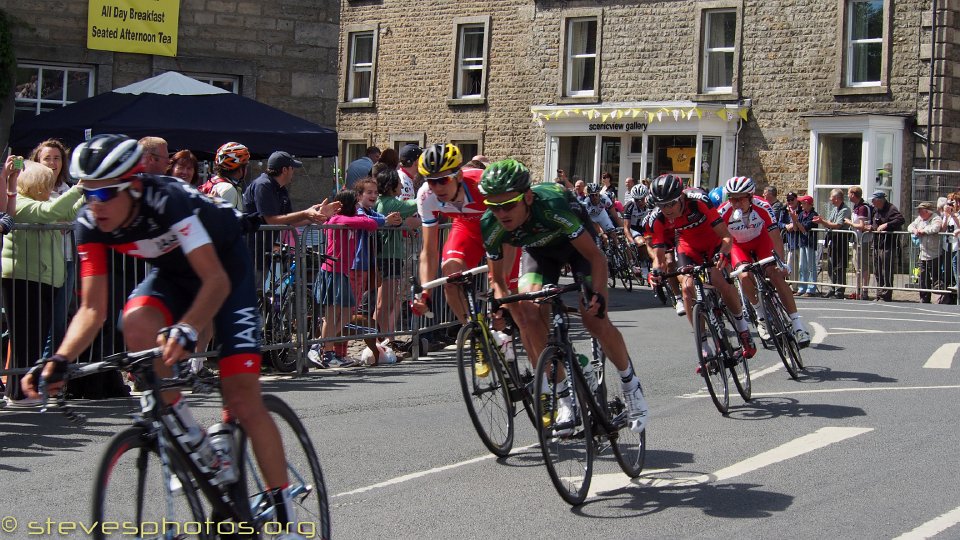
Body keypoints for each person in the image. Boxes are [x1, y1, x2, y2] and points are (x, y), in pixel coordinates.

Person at [20, 135, 309, 533]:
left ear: (134, 185)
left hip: (225, 273)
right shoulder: (90, 222)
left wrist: (188, 327)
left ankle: (283, 509)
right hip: (172, 277)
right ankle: (192, 436)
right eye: (87, 193)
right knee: (134, 324)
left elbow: (214, 281)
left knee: (242, 398)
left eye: (105, 192)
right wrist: (59, 359)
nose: (95, 204)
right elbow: (92, 307)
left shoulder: (169, 201)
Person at [479, 159, 648, 434]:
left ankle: (630, 383)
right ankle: (565, 399)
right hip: (539, 254)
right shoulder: (492, 224)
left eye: (509, 205)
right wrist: (499, 306)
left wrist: (599, 297)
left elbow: (595, 257)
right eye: (494, 207)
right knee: (529, 312)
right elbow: (497, 280)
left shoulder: (552, 206)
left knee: (593, 318)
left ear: (528, 198)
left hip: (578, 250)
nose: (502, 214)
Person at [646, 174, 757, 360]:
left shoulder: (699, 202)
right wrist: (655, 271)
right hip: (688, 247)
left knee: (720, 281)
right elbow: (658, 255)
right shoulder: (657, 217)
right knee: (687, 288)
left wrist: (723, 252)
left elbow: (726, 236)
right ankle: (704, 345)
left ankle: (742, 329)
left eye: (671, 204)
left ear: (681, 197)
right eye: (661, 205)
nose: (667, 209)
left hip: (713, 243)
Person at [2, 160, 83, 407]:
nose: (50, 187)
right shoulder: (24, 204)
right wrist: (79, 189)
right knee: (26, 337)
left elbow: (66, 213)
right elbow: (50, 214)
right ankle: (18, 392)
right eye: (47, 183)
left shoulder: (42, 203)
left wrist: (86, 192)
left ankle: (25, 390)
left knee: (36, 337)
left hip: (43, 278)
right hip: (25, 277)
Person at [409, 143, 518, 324]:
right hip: (466, 229)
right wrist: (425, 293)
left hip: (501, 231)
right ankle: (473, 330)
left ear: (459, 176)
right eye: (431, 181)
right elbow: (428, 251)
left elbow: (511, 232)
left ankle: (505, 336)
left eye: (443, 180)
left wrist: (500, 282)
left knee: (506, 295)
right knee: (450, 278)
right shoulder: (426, 196)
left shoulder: (483, 185)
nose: (437, 187)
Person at [718, 176, 811, 347]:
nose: (736, 203)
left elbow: (775, 235)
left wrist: (781, 263)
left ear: (751, 197)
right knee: (744, 276)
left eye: (740, 199)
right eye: (732, 199)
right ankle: (761, 317)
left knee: (775, 275)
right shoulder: (724, 212)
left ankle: (798, 326)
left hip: (762, 241)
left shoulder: (763, 206)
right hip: (738, 246)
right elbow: (718, 239)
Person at [311, 189, 380, 369]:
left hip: (342, 272)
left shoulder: (349, 221)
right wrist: (359, 213)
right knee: (332, 315)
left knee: (348, 312)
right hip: (333, 271)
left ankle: (320, 343)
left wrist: (359, 214)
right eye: (356, 203)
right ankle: (327, 352)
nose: (358, 206)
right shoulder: (337, 219)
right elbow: (369, 222)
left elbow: (370, 223)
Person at [29, 139, 78, 358]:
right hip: (38, 261)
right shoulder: (30, 189)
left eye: (56, 158)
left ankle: (47, 372)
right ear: (37, 161)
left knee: (59, 319)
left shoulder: (69, 189)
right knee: (36, 320)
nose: (52, 163)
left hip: (66, 258)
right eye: (47, 158)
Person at [374, 168, 420, 353]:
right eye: (399, 183)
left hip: (388, 256)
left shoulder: (383, 202)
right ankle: (381, 339)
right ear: (392, 186)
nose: (402, 185)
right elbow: (413, 205)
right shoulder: (391, 203)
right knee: (385, 301)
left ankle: (386, 338)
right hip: (390, 256)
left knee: (385, 300)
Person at [813, 188, 851, 298]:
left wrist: (822, 221)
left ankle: (839, 290)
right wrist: (824, 222)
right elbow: (830, 222)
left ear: (837, 198)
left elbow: (837, 225)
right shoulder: (835, 209)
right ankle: (832, 288)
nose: (830, 199)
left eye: (832, 197)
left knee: (839, 266)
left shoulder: (845, 210)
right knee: (830, 265)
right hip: (832, 240)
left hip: (841, 240)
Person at [867, 191, 904, 302]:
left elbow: (900, 219)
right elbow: (875, 224)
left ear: (880, 200)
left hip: (888, 245)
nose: (872, 202)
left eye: (874, 200)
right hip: (877, 243)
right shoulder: (876, 210)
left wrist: (886, 225)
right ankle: (879, 294)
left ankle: (886, 295)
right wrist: (871, 227)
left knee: (886, 271)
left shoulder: (891, 208)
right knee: (877, 271)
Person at [908, 201, 943, 303]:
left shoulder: (936, 218)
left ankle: (938, 298)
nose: (919, 212)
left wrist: (923, 230)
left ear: (927, 211)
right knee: (923, 278)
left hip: (934, 254)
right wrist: (915, 230)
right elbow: (910, 226)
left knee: (936, 277)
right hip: (922, 254)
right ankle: (924, 298)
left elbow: (935, 228)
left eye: (921, 210)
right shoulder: (919, 219)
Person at [843, 186, 875, 299]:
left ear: (853, 194)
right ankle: (858, 290)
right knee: (857, 266)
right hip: (857, 240)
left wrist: (849, 222)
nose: (847, 195)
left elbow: (861, 226)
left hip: (864, 240)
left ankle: (864, 290)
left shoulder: (862, 208)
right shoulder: (856, 207)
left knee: (863, 265)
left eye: (848, 193)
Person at [200, 142, 250, 208]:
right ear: (240, 169)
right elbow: (227, 217)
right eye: (246, 166)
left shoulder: (213, 181)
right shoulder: (228, 189)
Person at [794, 195, 820, 296]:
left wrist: (796, 220)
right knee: (802, 266)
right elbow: (796, 229)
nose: (801, 205)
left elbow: (804, 228)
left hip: (810, 243)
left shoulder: (813, 215)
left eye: (803, 203)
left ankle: (811, 288)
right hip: (802, 242)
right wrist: (794, 219)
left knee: (811, 266)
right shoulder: (801, 214)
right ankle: (802, 287)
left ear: (808, 204)